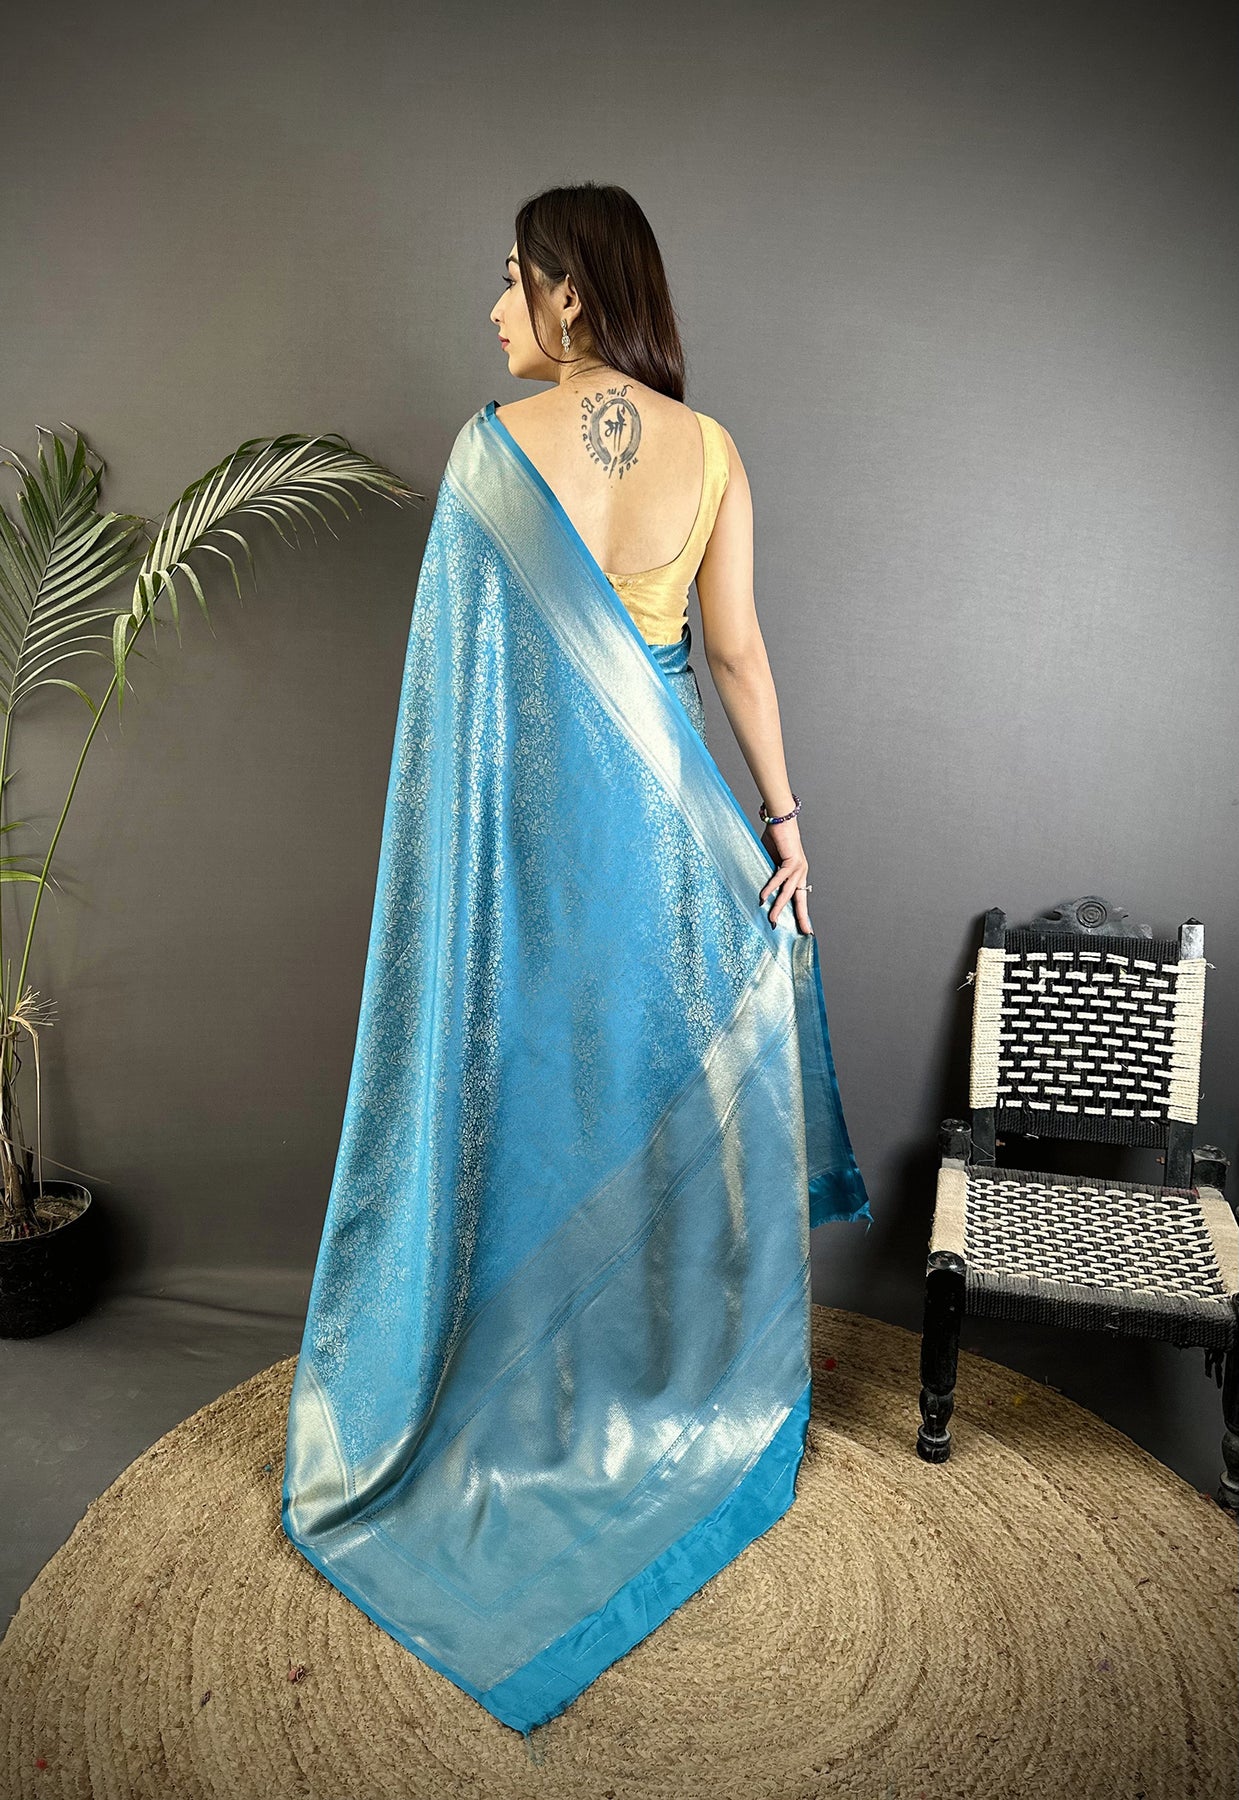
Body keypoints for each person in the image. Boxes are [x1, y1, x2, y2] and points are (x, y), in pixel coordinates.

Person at [282, 182, 872, 1737]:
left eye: (510, 281)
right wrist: (786, 827)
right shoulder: (714, 450)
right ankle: (662, 1391)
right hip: (674, 860)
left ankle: (517, 1399)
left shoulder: (493, 452)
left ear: (568, 293)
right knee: (645, 1116)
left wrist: (451, 887)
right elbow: (733, 654)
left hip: (533, 867)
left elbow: (456, 716)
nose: (493, 312)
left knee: (529, 1115)